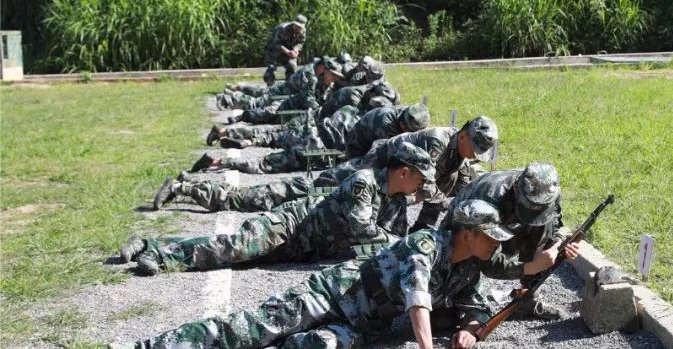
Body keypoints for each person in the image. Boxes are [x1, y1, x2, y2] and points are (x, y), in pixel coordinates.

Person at [105, 199, 514, 349]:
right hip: (333, 293)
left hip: (363, 325)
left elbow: (475, 306)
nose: (495, 243)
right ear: (466, 233)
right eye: (489, 236)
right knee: (252, 326)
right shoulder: (427, 244)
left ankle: (273, 348)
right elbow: (417, 295)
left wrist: (470, 328)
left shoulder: (467, 267)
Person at [120, 142, 435, 275]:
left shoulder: (396, 201)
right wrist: (402, 244)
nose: (421, 187)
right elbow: (362, 229)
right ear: (403, 172)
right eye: (421, 179)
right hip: (291, 224)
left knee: (234, 258)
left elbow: (390, 242)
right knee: (236, 248)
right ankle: (156, 253)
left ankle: (152, 246)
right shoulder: (364, 182)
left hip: (307, 247)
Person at [153, 116, 498, 218]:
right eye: (475, 147)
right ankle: (186, 188)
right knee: (275, 196)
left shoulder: (459, 157)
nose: (475, 155)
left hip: (373, 195)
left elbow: (448, 192)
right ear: (463, 134)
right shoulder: (438, 140)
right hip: (353, 180)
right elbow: (429, 189)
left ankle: (191, 187)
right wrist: (444, 201)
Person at [442, 162, 570, 320]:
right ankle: (459, 299)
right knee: (449, 307)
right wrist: (529, 267)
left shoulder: (549, 192)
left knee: (545, 230)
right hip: (468, 230)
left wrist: (557, 246)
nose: (533, 217)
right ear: (516, 189)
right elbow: (487, 262)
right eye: (529, 207)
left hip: (506, 219)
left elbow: (554, 222)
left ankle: (527, 299)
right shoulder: (490, 197)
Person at [187, 103, 432, 176]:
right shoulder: (386, 126)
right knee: (266, 164)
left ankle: (232, 137)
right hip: (322, 148)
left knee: (272, 137)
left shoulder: (391, 112)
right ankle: (218, 162)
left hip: (318, 130)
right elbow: (382, 156)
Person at [263, 15, 307, 86]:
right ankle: (270, 86)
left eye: (300, 27)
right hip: (274, 51)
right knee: (271, 69)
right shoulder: (282, 28)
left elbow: (301, 42)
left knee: (292, 66)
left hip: (289, 52)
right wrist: (287, 51)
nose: (298, 28)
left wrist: (296, 50)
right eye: (296, 26)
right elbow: (275, 43)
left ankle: (289, 86)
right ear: (293, 23)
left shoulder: (302, 31)